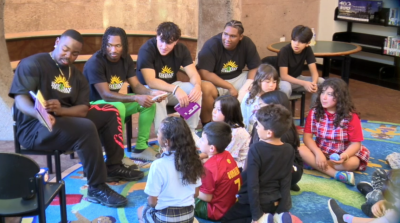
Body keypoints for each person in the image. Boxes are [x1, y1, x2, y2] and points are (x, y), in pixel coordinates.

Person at [9, 29, 143, 207]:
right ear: (57, 42)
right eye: (65, 49)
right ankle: (96, 187)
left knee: (110, 113)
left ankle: (113, 166)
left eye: (75, 53)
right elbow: (20, 100)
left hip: (63, 121)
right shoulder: (33, 64)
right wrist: (38, 114)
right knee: (85, 128)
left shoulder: (77, 76)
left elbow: (82, 109)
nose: (68, 56)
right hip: (34, 128)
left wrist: (61, 110)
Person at [83, 26, 167, 161]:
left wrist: (151, 93)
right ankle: (118, 156)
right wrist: (135, 97)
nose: (113, 50)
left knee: (148, 103)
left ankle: (141, 148)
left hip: (112, 102)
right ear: (104, 45)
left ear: (124, 46)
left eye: (117, 46)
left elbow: (136, 85)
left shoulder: (125, 59)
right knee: (119, 107)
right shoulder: (95, 62)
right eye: (109, 45)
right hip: (92, 105)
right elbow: (105, 95)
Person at [221, 104, 295, 223]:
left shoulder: (257, 148)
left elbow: (252, 183)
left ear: (269, 133)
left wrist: (257, 215)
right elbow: (286, 180)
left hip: (256, 202)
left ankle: (262, 220)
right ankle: (277, 217)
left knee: (226, 220)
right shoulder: (289, 149)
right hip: (275, 201)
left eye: (259, 126)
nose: (256, 128)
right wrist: (282, 210)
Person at [136, 22, 208, 137]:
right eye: (161, 41)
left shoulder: (182, 49)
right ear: (156, 36)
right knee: (159, 96)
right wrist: (176, 89)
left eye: (169, 43)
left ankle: (190, 133)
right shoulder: (147, 49)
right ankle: (164, 138)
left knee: (194, 90)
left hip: (171, 87)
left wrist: (197, 87)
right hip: (149, 89)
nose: (164, 46)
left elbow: (193, 74)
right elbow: (151, 81)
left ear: (176, 42)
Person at [299, 78, 370, 186]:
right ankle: (336, 174)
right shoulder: (314, 112)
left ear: (340, 97)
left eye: (330, 94)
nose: (324, 97)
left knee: (353, 162)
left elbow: (356, 144)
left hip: (342, 154)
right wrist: (318, 154)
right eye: (322, 92)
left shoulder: (351, 116)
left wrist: (344, 156)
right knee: (300, 149)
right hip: (321, 150)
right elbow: (307, 137)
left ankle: (314, 165)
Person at [137, 117, 204, 223]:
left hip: (165, 218)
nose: (157, 135)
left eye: (158, 132)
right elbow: (195, 194)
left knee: (140, 211)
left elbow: (152, 202)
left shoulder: (158, 165)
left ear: (166, 142)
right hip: (188, 216)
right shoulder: (195, 161)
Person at [197, 20, 261, 124]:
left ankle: (249, 123)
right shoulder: (211, 45)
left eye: (233, 36)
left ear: (240, 37)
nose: (227, 39)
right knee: (205, 88)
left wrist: (247, 85)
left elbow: (255, 67)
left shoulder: (247, 43)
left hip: (238, 77)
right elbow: (204, 73)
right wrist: (229, 87)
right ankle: (210, 126)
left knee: (261, 80)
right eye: (225, 34)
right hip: (216, 81)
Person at [249, 91, 304, 192]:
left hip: (285, 172)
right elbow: (252, 146)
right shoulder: (261, 123)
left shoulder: (281, 133)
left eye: (260, 105)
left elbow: (271, 162)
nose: (257, 107)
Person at [195, 122, 242, 221]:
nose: (200, 141)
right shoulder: (227, 154)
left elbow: (207, 198)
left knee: (183, 193)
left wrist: (190, 188)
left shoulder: (209, 168)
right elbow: (210, 156)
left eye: (203, 139)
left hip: (216, 210)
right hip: (232, 205)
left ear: (212, 148)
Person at [277, 25, 324, 103]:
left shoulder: (307, 50)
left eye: (301, 42)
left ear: (308, 43)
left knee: (321, 82)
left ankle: (314, 113)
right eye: (294, 40)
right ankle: (283, 114)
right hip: (281, 80)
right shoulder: (284, 51)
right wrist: (304, 83)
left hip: (297, 79)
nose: (296, 44)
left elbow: (314, 72)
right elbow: (283, 76)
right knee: (286, 87)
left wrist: (314, 84)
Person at [209, 95, 250, 169]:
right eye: (214, 107)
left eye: (218, 109)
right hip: (222, 159)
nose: (214, 111)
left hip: (237, 166)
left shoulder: (236, 132)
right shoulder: (219, 125)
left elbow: (224, 156)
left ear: (229, 113)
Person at [240, 64, 279, 132]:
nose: (271, 85)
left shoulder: (277, 98)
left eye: (274, 82)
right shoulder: (249, 97)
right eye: (267, 82)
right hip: (251, 131)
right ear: (259, 81)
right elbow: (243, 115)